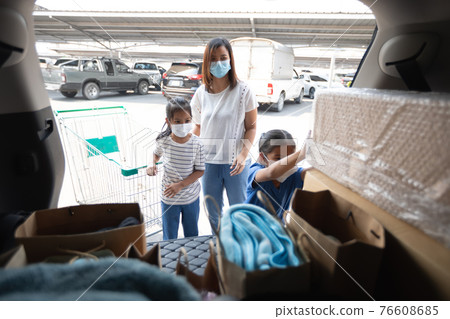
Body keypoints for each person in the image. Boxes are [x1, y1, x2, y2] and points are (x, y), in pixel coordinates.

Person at [191, 37, 258, 231]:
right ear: (206, 62)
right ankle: (220, 246)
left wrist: (243, 155)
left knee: (240, 212)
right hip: (208, 163)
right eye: (213, 58)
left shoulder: (244, 91)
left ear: (230, 59)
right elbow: (198, 127)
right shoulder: (200, 94)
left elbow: (251, 127)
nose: (218, 63)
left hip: (235, 164)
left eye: (223, 57)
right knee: (214, 214)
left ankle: (241, 250)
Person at [147, 97, 205, 240]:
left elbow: (200, 170)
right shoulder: (163, 141)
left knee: (192, 236)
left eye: (187, 120)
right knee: (169, 237)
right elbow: (155, 155)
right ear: (168, 121)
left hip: (190, 198)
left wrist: (180, 185)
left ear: (191, 119)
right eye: (177, 121)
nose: (183, 125)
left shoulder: (197, 143)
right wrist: (152, 164)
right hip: (169, 198)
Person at [245, 129, 310, 219]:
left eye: (290, 158)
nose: (285, 164)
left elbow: (317, 174)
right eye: (279, 159)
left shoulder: (294, 175)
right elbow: (271, 173)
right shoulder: (255, 171)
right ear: (262, 157)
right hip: (247, 228)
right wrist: (302, 153)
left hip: (273, 230)